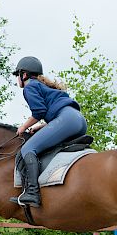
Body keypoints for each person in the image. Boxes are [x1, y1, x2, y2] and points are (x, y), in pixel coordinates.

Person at [10, 56, 88, 207]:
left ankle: (32, 193)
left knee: (28, 148)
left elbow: (39, 111)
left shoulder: (29, 86)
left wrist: (23, 127)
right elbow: (51, 112)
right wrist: (40, 126)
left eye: (17, 75)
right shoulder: (41, 86)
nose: (17, 79)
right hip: (78, 120)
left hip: (67, 119)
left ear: (23, 74)